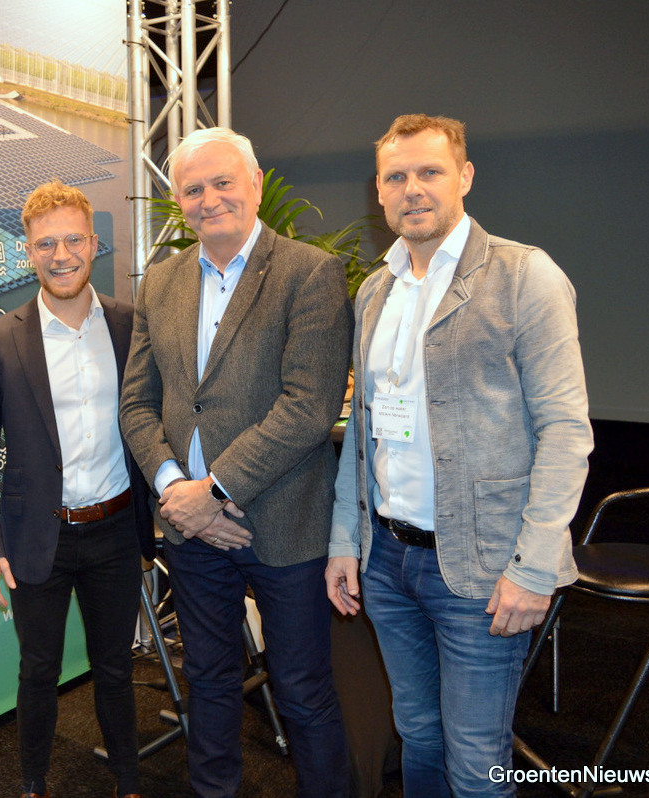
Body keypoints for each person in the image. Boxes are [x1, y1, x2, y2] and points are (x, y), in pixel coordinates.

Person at [325, 114, 593, 796]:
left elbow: (566, 431)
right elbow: (363, 432)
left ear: (465, 177)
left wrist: (535, 567)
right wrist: (345, 541)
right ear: (378, 191)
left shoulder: (524, 275)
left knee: (476, 764)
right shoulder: (375, 291)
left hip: (481, 567)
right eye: (396, 176)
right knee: (417, 734)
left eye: (430, 171)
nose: (412, 189)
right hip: (388, 562)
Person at [120, 127, 353, 798]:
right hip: (191, 529)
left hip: (283, 526)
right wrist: (178, 492)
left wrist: (214, 491)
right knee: (210, 682)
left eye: (223, 182)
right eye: (193, 189)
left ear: (254, 183)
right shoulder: (161, 281)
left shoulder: (309, 273)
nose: (210, 198)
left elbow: (308, 407)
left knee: (302, 689)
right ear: (178, 202)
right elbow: (138, 403)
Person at [0, 180, 155, 798]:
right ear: (28, 252)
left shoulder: (130, 325)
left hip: (116, 530)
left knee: (116, 667)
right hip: (36, 535)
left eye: (73, 240)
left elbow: (152, 419)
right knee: (38, 670)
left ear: (94, 244)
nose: (61, 254)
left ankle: (128, 780)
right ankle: (33, 784)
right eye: (46, 244)